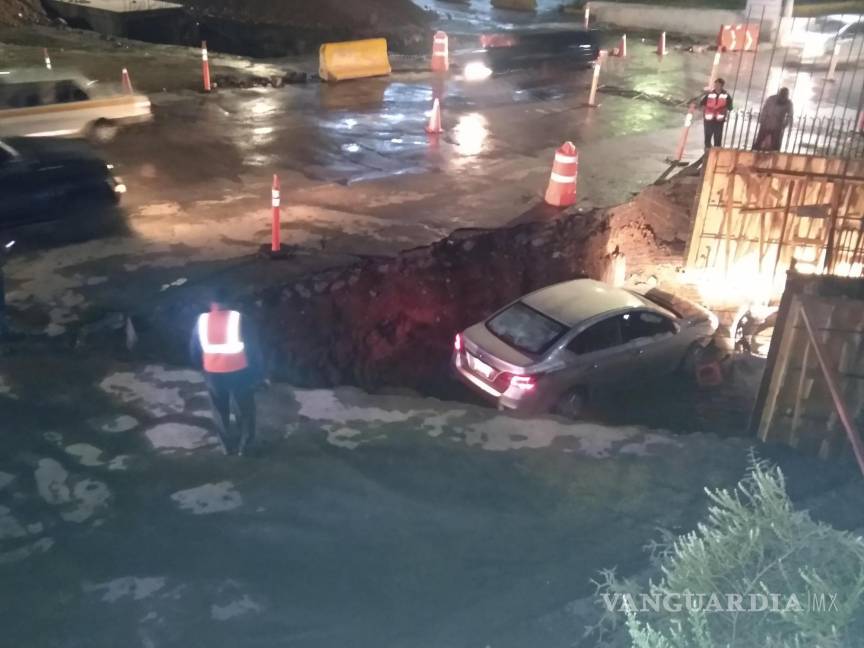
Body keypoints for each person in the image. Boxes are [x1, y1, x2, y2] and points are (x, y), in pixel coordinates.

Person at [190, 290, 264, 456]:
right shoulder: (240, 319)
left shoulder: (202, 321)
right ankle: (246, 447)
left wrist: (203, 368)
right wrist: (258, 373)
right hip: (239, 371)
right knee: (245, 409)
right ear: (230, 301)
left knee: (219, 409)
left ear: (211, 304)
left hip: (213, 373)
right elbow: (253, 348)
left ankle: (227, 446)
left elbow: (194, 349)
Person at [754, 87, 793, 152]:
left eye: (785, 95)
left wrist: (785, 124)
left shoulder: (788, 103)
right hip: (767, 123)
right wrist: (762, 119)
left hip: (777, 125)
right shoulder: (771, 99)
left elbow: (790, 115)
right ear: (779, 94)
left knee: (775, 144)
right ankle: (756, 151)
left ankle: (772, 154)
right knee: (759, 141)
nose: (783, 97)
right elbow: (765, 109)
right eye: (782, 94)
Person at [700, 78, 733, 149]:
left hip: (719, 120)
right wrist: (704, 109)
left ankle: (716, 153)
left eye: (718, 84)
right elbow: (702, 104)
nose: (716, 86)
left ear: (722, 86)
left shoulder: (726, 95)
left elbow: (730, 107)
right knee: (707, 137)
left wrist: (724, 109)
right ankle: (707, 152)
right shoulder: (709, 94)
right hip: (708, 119)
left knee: (717, 138)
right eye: (715, 84)